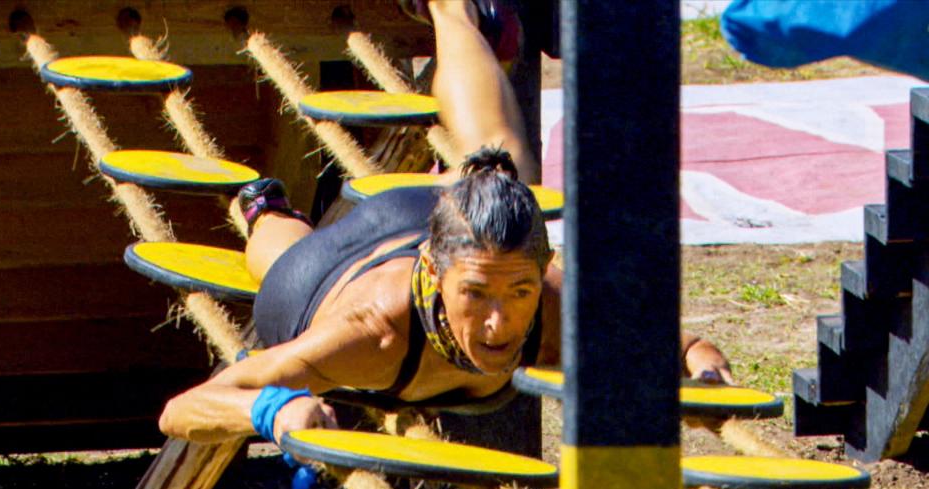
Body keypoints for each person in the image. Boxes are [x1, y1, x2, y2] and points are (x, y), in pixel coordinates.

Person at [158, 0, 732, 448]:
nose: (498, 322)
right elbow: (180, 410)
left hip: (444, 222)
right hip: (324, 276)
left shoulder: (555, 308)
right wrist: (270, 410)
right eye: (476, 295)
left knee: (508, 176)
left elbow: (686, 348)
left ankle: (454, 11)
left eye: (520, 291)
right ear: (434, 276)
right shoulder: (365, 336)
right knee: (282, 253)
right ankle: (262, 206)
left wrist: (707, 378)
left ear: (542, 273)